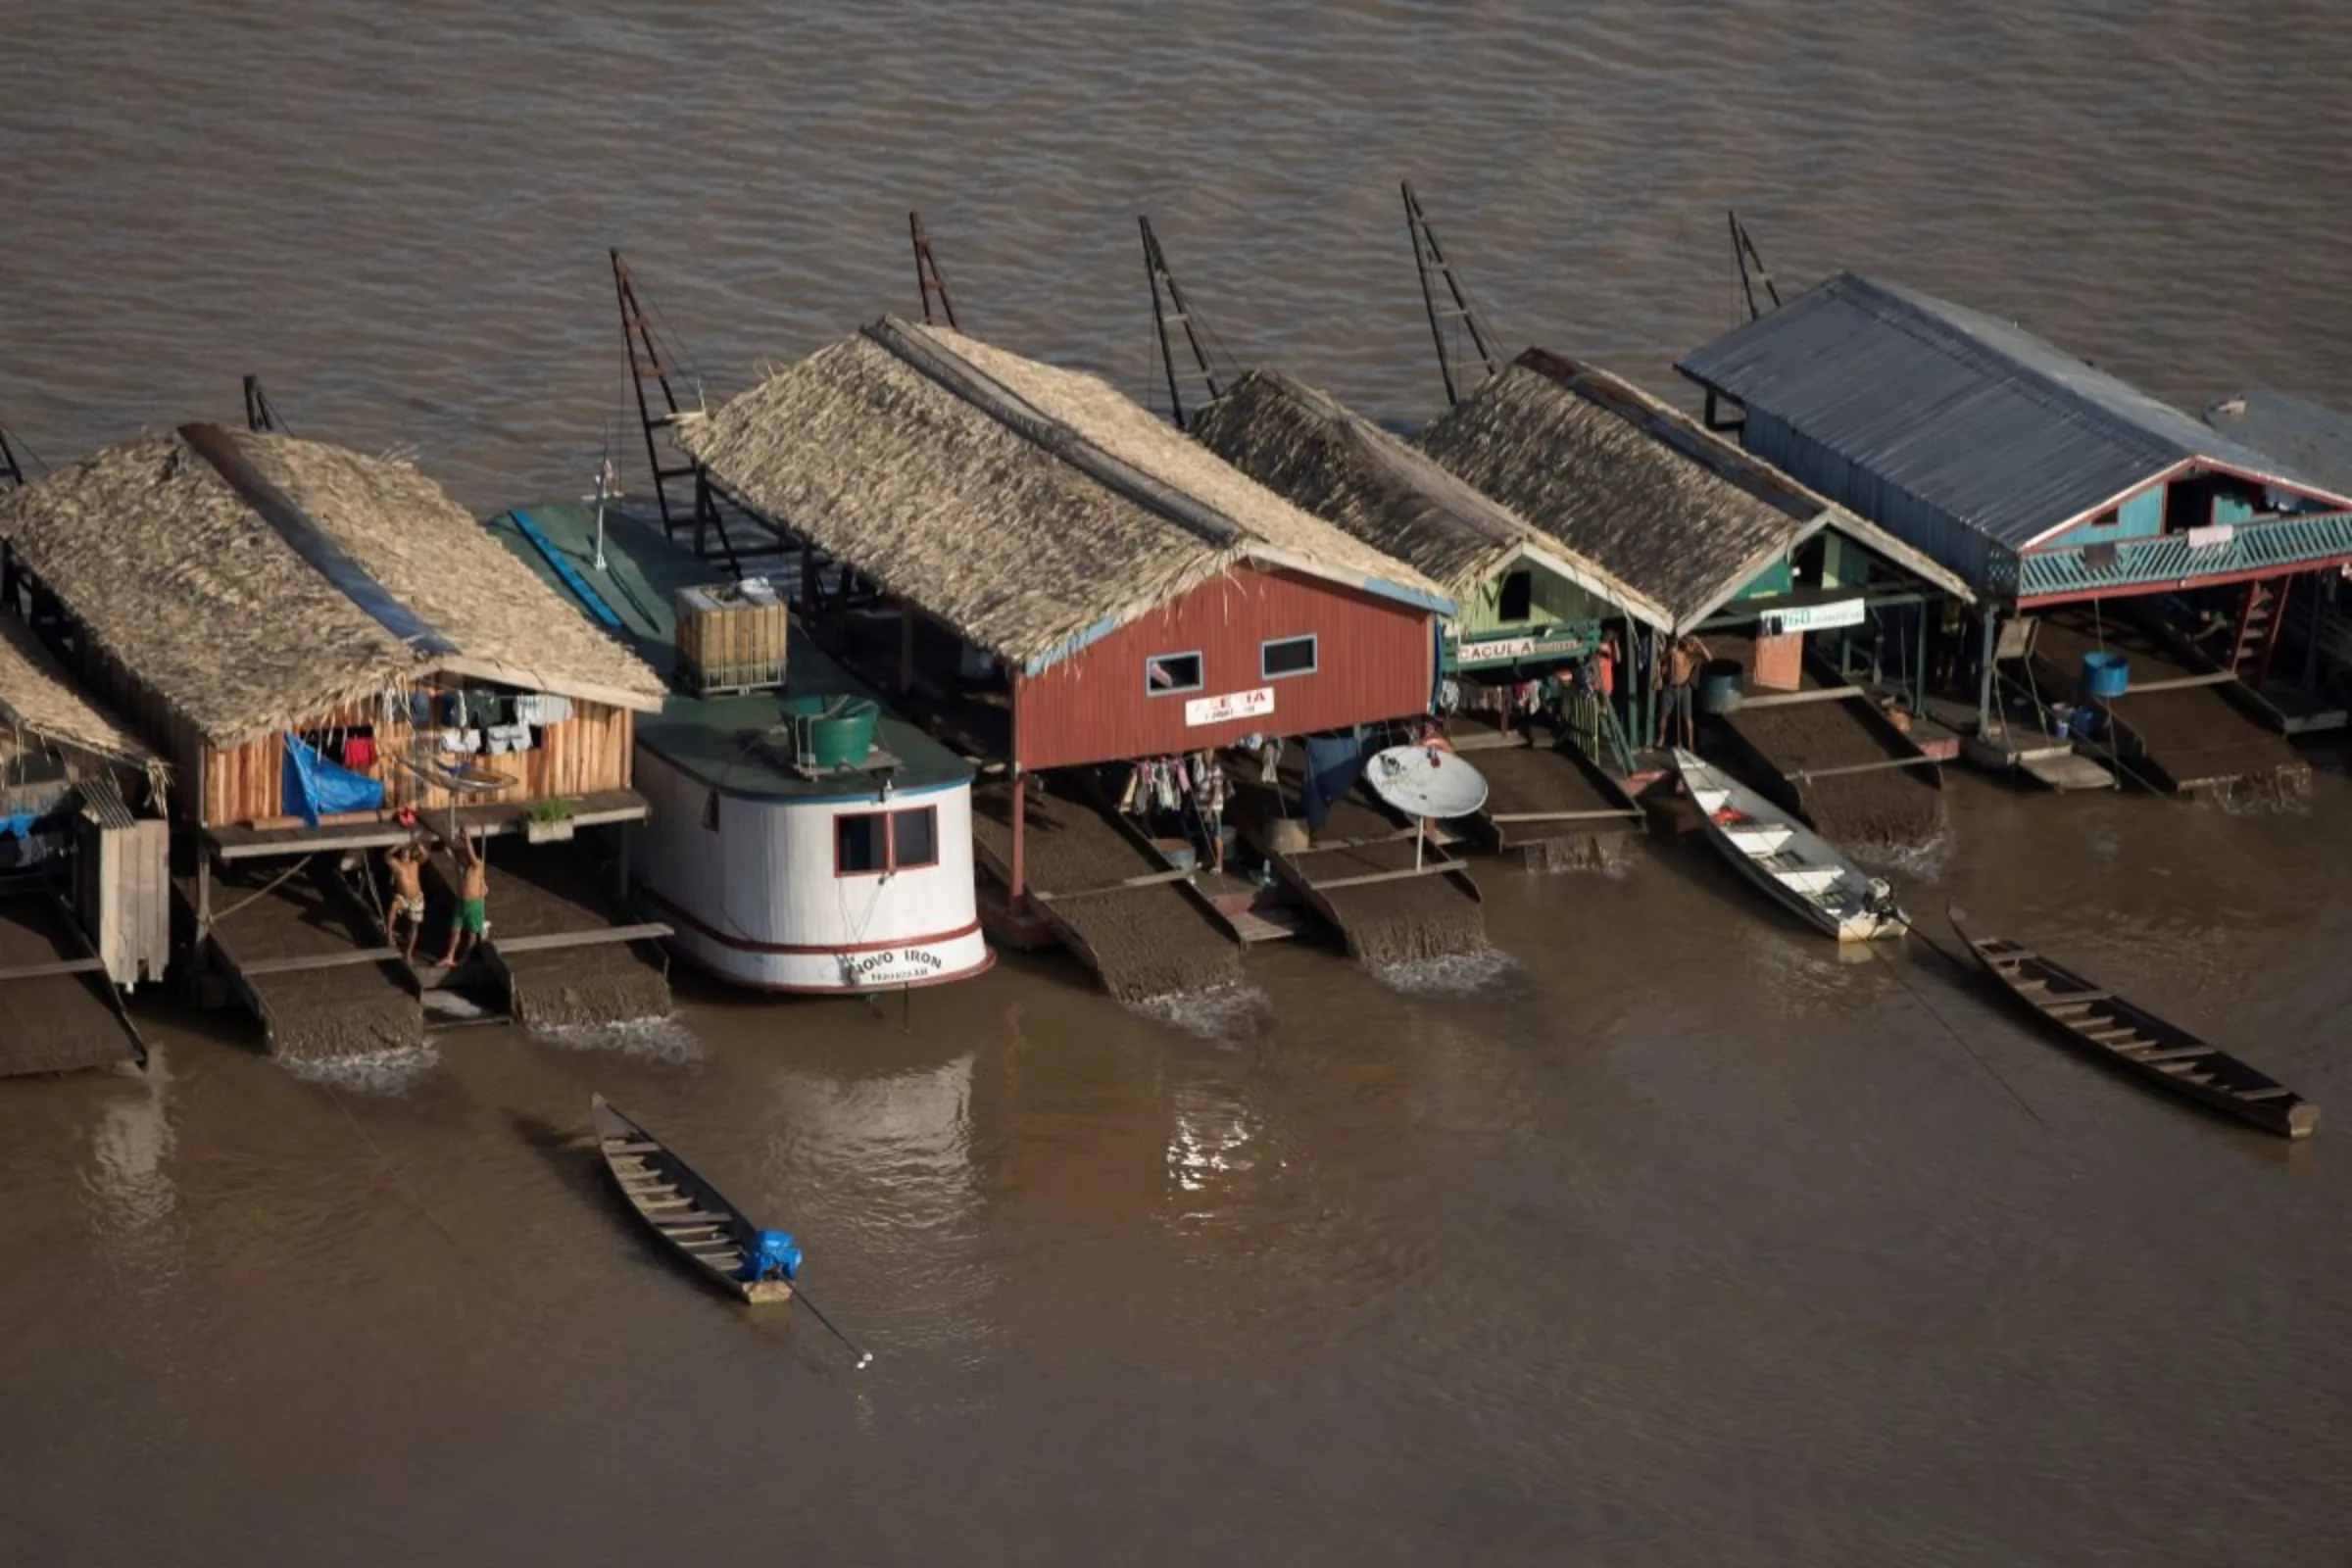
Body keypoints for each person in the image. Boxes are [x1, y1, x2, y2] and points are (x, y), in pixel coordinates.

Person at [436, 829, 490, 967]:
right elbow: (455, 859)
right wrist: (450, 853)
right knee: (455, 929)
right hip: (461, 903)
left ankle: (465, 958)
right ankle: (450, 956)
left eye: (465, 854)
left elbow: (471, 853)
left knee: (472, 933)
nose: (464, 856)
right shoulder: (462, 867)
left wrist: (467, 839)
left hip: (474, 903)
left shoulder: (478, 864)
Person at [1656, 633, 1710, 750]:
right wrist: (1659, 678)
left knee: (1688, 718)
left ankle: (1691, 745)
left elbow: (1709, 658)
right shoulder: (1675, 653)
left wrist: (1700, 643)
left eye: (1693, 645)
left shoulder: (1694, 656)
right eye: (1690, 645)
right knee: (1664, 715)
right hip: (1670, 687)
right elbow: (1659, 661)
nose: (1691, 647)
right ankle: (1661, 737)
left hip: (1684, 687)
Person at [382, 839, 428, 963]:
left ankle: (409, 953)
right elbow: (386, 856)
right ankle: (390, 934)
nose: (404, 855)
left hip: (416, 899)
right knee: (393, 906)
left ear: (410, 854)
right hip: (403, 898)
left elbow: (425, 855)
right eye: (402, 853)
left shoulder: (415, 863)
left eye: (406, 853)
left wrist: (418, 844)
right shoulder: (396, 865)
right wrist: (397, 846)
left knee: (414, 927)